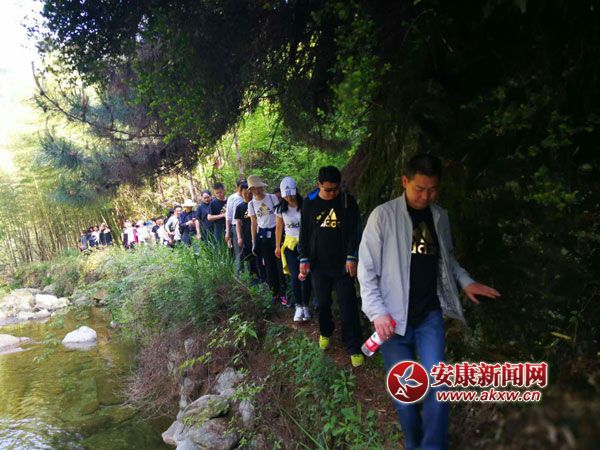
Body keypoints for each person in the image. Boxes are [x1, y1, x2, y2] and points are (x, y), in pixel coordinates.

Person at [358, 153, 501, 450]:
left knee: (438, 385)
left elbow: (447, 260)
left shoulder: (439, 217)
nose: (426, 196)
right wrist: (377, 312)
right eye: (419, 189)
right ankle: (413, 443)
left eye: (433, 190)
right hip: (391, 322)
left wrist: (466, 281)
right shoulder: (382, 216)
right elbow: (366, 271)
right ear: (405, 181)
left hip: (428, 316)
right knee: (405, 396)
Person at [298, 166, 364, 367]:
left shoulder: (347, 201)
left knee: (348, 306)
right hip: (319, 265)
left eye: (336, 188)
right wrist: (303, 258)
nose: (333, 193)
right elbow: (305, 232)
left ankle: (352, 345)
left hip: (343, 265)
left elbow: (355, 230)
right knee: (322, 303)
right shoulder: (309, 202)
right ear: (319, 184)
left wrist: (352, 256)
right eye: (328, 190)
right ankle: (326, 331)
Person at [275, 176, 312, 322]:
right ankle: (298, 306)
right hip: (290, 245)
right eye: (286, 196)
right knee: (295, 275)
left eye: (291, 195)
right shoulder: (280, 209)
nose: (289, 198)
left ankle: (306, 305)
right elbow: (279, 228)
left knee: (306, 275)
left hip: (305, 245)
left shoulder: (305, 205)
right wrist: (277, 247)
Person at [248, 175, 286, 304]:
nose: (257, 191)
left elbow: (279, 216)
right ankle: (274, 292)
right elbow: (253, 223)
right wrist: (254, 242)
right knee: (269, 265)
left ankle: (284, 292)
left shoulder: (272, 197)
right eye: (254, 189)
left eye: (259, 187)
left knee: (280, 264)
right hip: (263, 236)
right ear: (251, 190)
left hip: (276, 233)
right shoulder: (251, 204)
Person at [235, 182, 258, 277]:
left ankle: (262, 276)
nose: (248, 195)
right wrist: (239, 237)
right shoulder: (239, 207)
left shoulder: (256, 203)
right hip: (247, 235)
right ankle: (253, 276)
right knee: (250, 256)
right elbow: (238, 224)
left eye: (250, 193)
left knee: (260, 254)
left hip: (259, 232)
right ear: (241, 193)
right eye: (245, 193)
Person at [225, 180, 246, 272]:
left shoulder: (250, 196)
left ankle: (252, 273)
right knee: (239, 251)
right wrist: (227, 231)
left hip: (248, 225)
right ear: (237, 188)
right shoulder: (232, 198)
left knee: (250, 249)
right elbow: (228, 216)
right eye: (241, 188)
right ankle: (240, 272)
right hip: (235, 226)